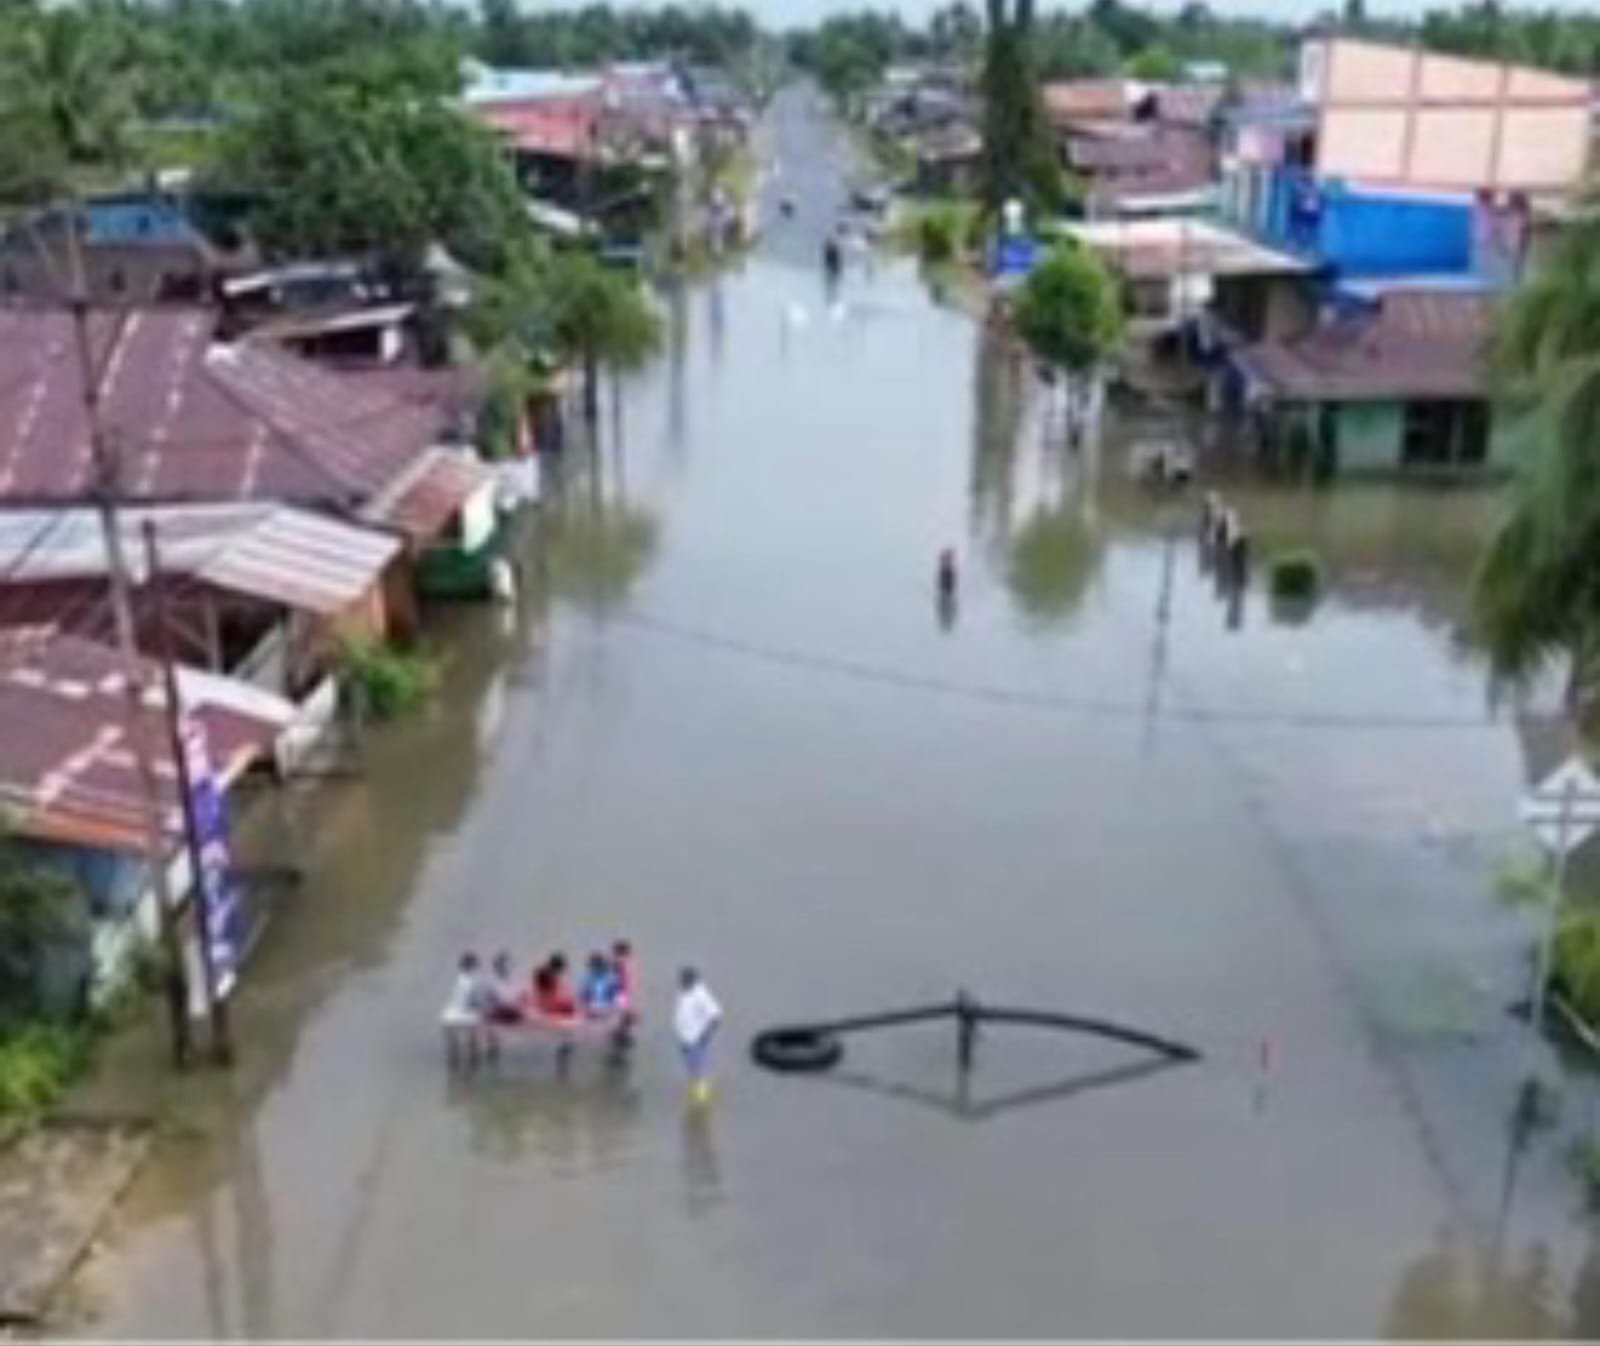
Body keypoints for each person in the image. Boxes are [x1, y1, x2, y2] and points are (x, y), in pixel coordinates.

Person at [674, 967, 723, 1106]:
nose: (681, 982)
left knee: (698, 1069)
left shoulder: (701, 995)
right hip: (685, 1037)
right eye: (681, 979)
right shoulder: (683, 992)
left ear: (693, 980)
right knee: (691, 1067)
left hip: (696, 1039)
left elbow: (716, 1017)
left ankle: (701, 1102)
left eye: (685, 980)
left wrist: (705, 1037)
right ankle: (695, 1091)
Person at [486, 950, 522, 1025]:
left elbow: (516, 999)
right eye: (503, 965)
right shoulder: (491, 981)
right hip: (498, 1014)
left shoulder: (513, 981)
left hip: (510, 1014)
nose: (506, 968)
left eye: (508, 965)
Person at [581, 951, 619, 1017]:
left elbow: (614, 995)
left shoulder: (611, 978)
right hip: (598, 1009)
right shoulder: (588, 978)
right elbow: (584, 995)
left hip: (603, 1009)